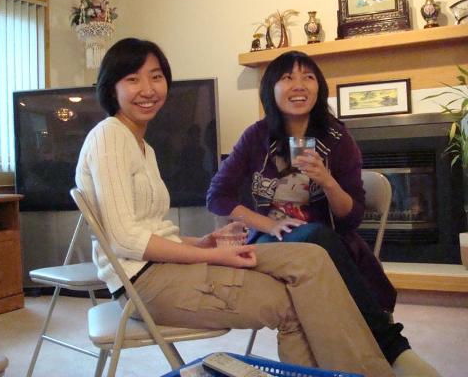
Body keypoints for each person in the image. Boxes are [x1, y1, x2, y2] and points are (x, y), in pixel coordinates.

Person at [76, 38, 403, 376]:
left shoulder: (142, 146)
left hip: (166, 266)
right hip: (145, 283)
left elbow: (146, 228)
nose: (148, 89)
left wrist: (202, 243)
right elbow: (126, 239)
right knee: (295, 302)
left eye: (156, 77)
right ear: (111, 87)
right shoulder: (110, 136)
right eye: (133, 79)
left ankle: (375, 361)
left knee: (314, 257)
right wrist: (216, 255)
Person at [207, 50, 439, 376]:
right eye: (287, 77)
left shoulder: (337, 139)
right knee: (315, 237)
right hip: (268, 243)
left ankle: (353, 361)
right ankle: (395, 349)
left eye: (308, 77)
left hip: (326, 245)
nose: (299, 85)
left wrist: (327, 181)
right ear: (271, 89)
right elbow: (217, 196)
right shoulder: (256, 137)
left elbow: (351, 219)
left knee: (317, 238)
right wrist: (267, 223)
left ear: (319, 87)